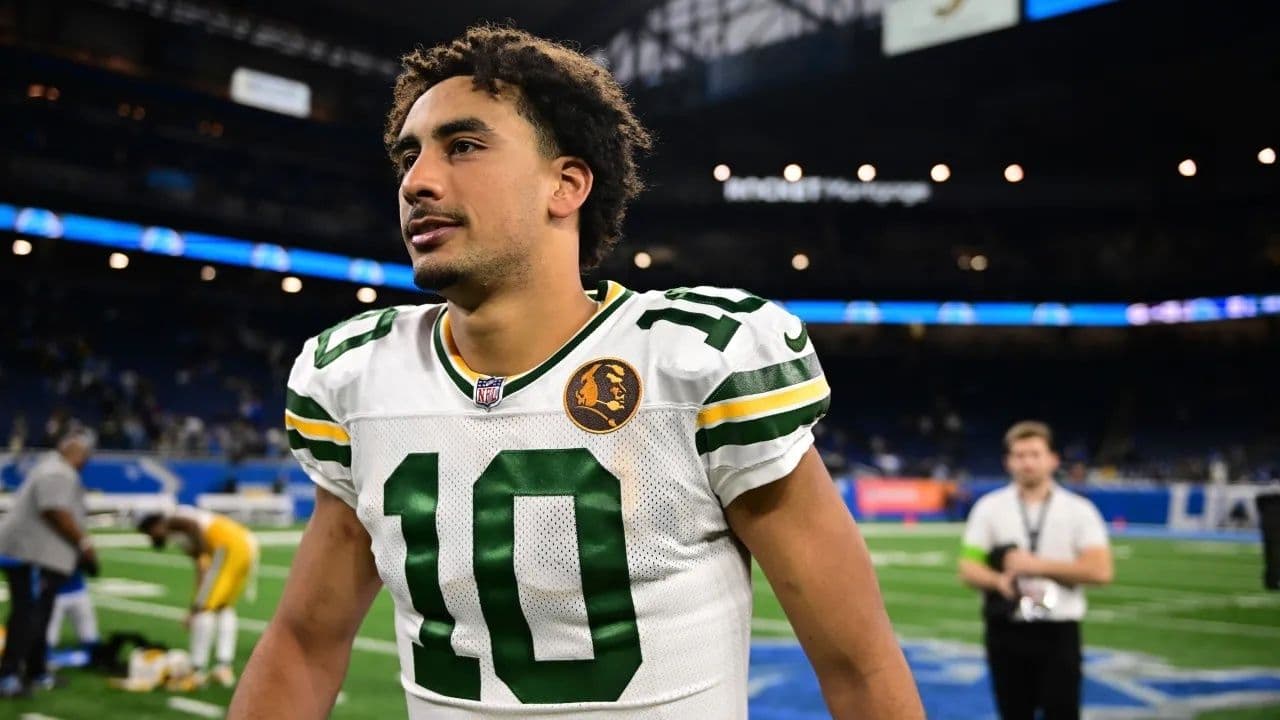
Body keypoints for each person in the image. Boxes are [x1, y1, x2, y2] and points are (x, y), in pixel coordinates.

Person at [231, 24, 922, 720]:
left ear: (565, 185)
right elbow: (303, 644)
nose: (417, 182)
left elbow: (859, 668)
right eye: (409, 156)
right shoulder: (357, 376)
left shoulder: (696, 361)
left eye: (463, 146)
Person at [958, 421, 1114, 720]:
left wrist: (1037, 566)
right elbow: (967, 568)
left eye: (1034, 454)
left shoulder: (1079, 510)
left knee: (1063, 712)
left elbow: (1101, 571)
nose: (1027, 462)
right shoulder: (988, 508)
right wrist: (997, 580)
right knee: (1013, 712)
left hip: (1058, 630)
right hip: (1006, 626)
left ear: (1053, 459)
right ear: (1008, 461)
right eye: (1019, 455)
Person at [0, 428, 99, 698]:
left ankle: (36, 671)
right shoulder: (56, 471)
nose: (86, 459)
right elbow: (54, 510)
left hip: (39, 555)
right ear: (73, 449)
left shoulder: (56, 469)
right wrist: (84, 544)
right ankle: (9, 674)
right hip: (32, 554)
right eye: (83, 453)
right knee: (28, 614)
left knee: (39, 614)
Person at [137, 505, 259, 690]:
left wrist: (196, 607)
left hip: (226, 542)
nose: (152, 538)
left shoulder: (172, 520)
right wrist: (195, 603)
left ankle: (197, 670)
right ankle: (223, 666)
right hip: (243, 541)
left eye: (149, 533)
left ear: (154, 525)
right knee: (223, 606)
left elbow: (193, 528)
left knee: (205, 610)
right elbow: (201, 570)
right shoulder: (179, 532)